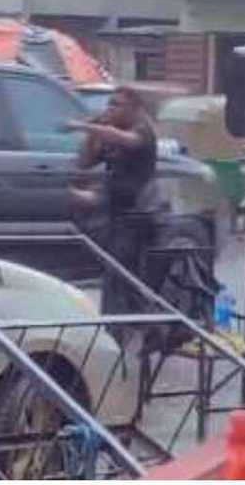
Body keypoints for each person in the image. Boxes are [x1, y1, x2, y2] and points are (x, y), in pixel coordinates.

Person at [65, 85, 159, 328]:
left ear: (133, 109)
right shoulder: (109, 133)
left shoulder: (142, 130)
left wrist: (87, 126)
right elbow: (84, 163)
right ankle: (126, 323)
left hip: (136, 215)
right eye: (109, 104)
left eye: (115, 104)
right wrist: (92, 134)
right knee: (116, 275)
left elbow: (128, 141)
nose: (110, 109)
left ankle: (126, 325)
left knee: (119, 275)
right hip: (113, 211)